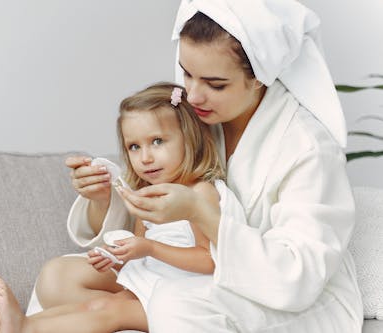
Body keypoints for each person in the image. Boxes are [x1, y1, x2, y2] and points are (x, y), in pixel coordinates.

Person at [28, 0, 364, 332]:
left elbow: (297, 275)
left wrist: (200, 212)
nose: (193, 95)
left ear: (260, 77)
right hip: (181, 270)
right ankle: (112, 310)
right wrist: (102, 196)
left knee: (174, 305)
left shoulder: (307, 147)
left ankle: (122, 311)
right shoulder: (194, 119)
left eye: (215, 84)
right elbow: (150, 205)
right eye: (187, 74)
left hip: (286, 293)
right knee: (59, 278)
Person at [0, 82, 225, 333]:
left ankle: (23, 329)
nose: (145, 157)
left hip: (182, 293)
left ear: (192, 139)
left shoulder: (198, 193)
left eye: (157, 141)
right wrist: (116, 256)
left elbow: (210, 261)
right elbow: (140, 251)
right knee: (96, 301)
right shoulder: (146, 195)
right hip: (147, 281)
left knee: (108, 308)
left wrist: (150, 248)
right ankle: (18, 325)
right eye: (134, 147)